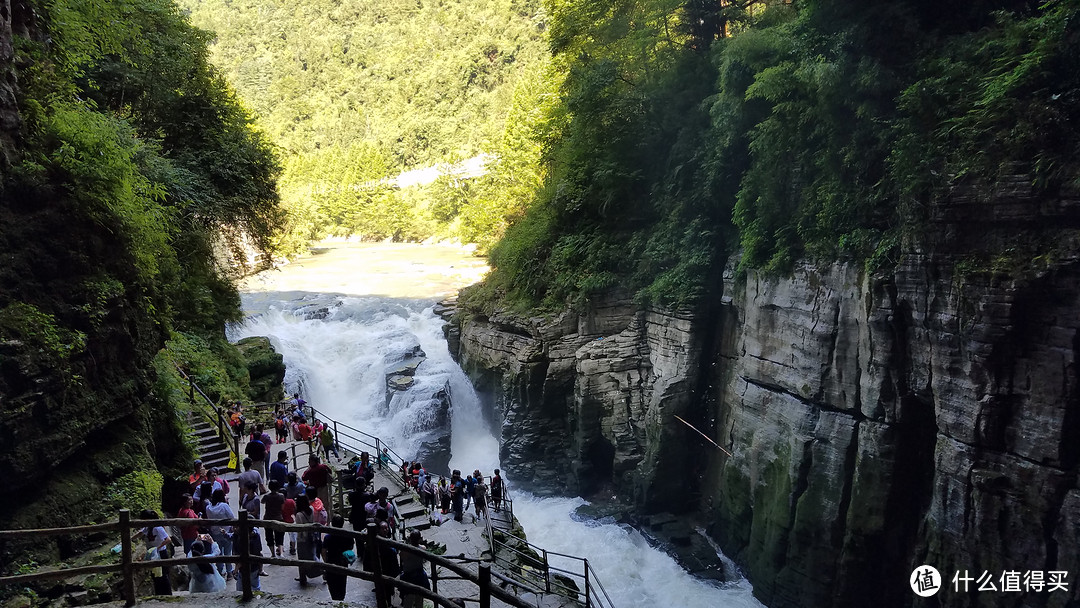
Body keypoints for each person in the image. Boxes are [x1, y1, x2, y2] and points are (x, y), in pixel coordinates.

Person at [136, 509, 172, 595]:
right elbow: (140, 533)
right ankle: (159, 594)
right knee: (155, 575)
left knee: (163, 575)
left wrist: (157, 548)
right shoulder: (148, 528)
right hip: (153, 554)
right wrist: (128, 538)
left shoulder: (158, 528)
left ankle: (167, 594)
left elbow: (168, 539)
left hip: (161, 553)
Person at [204, 489, 236, 580]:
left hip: (215, 532)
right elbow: (231, 517)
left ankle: (220, 571)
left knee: (218, 552)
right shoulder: (224, 506)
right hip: (226, 531)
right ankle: (229, 572)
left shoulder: (208, 508)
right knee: (227, 553)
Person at [322, 514, 354, 601]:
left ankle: (335, 599)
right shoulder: (347, 536)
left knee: (332, 584)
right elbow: (351, 548)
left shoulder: (328, 537)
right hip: (343, 562)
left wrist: (326, 562)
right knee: (342, 582)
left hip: (331, 562)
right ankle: (341, 599)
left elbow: (324, 551)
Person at [293, 496, 322, 586]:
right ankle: (322, 571)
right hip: (312, 536)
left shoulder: (299, 515)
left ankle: (303, 578)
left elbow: (299, 528)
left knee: (302, 558)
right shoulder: (311, 509)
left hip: (302, 539)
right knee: (312, 555)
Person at [399, 531, 430, 608]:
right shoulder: (423, 548)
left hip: (409, 576)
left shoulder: (406, 550)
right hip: (419, 576)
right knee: (419, 599)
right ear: (419, 539)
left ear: (410, 538)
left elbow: (402, 557)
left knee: (408, 599)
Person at [302, 454, 333, 519]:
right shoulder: (323, 466)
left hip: (315, 490)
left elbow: (303, 478)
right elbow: (330, 471)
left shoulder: (310, 471)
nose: (308, 463)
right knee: (325, 504)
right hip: (324, 488)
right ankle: (327, 519)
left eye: (309, 461)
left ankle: (317, 519)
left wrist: (307, 469)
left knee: (315, 505)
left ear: (313, 461)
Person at [262, 480, 286, 557]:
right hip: (278, 517)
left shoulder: (267, 496)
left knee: (269, 537)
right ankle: (281, 553)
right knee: (279, 536)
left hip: (268, 518)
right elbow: (282, 507)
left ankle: (273, 554)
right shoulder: (281, 496)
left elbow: (262, 501)